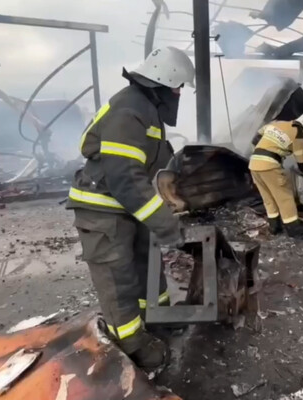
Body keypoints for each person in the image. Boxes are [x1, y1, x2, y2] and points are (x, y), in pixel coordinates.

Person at [66, 46, 194, 371]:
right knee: (118, 278)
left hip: (125, 207)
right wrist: (166, 225)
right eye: (179, 87)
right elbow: (126, 178)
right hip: (102, 210)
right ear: (165, 81)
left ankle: (158, 316)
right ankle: (132, 346)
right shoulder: (130, 109)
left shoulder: (145, 108)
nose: (179, 94)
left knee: (147, 261)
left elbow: (149, 163)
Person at [248, 111, 303, 238]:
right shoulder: (298, 133)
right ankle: (294, 230)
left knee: (268, 198)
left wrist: (266, 151)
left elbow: (255, 139)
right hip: (269, 166)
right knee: (285, 197)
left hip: (254, 164)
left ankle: (274, 227)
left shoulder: (277, 123)